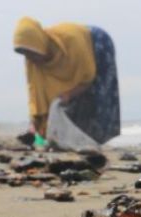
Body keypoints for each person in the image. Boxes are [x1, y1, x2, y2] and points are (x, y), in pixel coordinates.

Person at [13, 17, 120, 145]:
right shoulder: (31, 59)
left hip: (95, 44)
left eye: (33, 54)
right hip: (74, 53)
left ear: (40, 44)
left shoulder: (72, 42)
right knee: (63, 102)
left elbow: (87, 79)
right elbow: (35, 94)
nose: (31, 58)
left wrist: (69, 94)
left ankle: (96, 139)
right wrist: (34, 125)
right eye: (25, 54)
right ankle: (76, 138)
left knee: (96, 94)